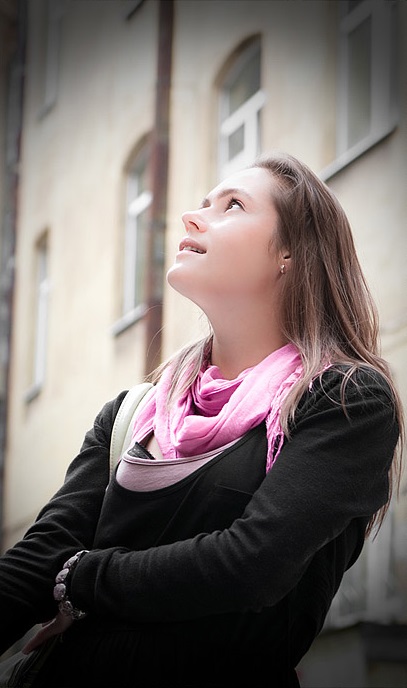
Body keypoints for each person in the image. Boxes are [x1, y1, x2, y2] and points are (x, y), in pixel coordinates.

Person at [0, 152, 403, 688]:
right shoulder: (133, 414)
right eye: (201, 203)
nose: (193, 217)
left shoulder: (345, 403)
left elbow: (250, 565)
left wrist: (83, 576)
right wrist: (63, 573)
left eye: (232, 205)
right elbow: (38, 559)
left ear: (289, 254)